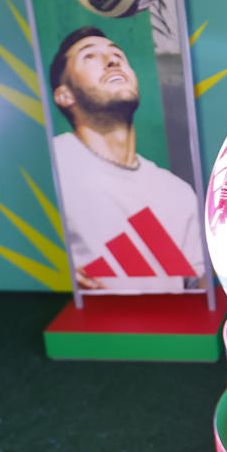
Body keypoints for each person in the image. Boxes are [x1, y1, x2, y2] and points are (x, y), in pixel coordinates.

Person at [48, 26, 201, 292]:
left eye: (117, 54)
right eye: (89, 56)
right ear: (64, 95)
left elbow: (196, 288)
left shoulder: (178, 192)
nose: (112, 60)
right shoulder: (50, 165)